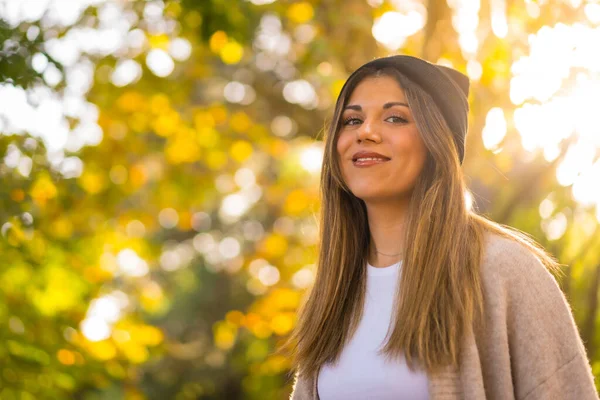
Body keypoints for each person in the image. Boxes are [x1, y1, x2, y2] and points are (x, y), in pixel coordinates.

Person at [278, 55, 599, 399]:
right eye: (352, 120)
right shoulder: (332, 291)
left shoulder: (503, 269)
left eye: (395, 117)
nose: (366, 132)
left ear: (436, 143)